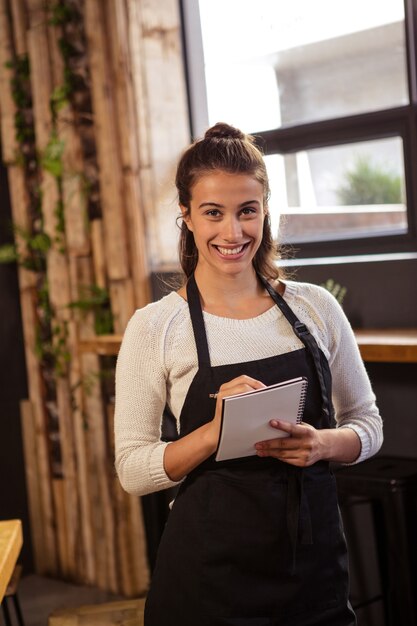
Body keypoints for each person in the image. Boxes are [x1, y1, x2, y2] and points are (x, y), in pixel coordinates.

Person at [114, 122, 383, 625]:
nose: (233, 233)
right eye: (212, 213)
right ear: (187, 217)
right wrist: (217, 431)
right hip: (209, 579)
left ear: (264, 211)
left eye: (247, 211)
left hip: (314, 569)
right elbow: (132, 470)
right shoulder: (156, 327)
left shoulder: (316, 308)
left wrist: (322, 445)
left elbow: (368, 425)